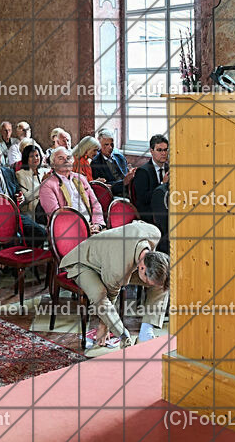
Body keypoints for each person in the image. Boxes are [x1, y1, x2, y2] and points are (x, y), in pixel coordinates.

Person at [59, 221, 164, 350]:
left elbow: (138, 223)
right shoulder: (118, 269)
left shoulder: (154, 232)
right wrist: (105, 327)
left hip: (114, 256)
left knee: (161, 284)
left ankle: (145, 334)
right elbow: (108, 297)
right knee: (99, 294)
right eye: (147, 281)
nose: (146, 285)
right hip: (84, 262)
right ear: (142, 267)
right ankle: (124, 336)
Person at [0, 142, 48, 246]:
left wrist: (19, 197)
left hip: (15, 213)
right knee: (14, 239)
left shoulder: (8, 172)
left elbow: (17, 191)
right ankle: (13, 258)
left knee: (40, 233)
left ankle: (27, 257)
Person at [39, 147, 105, 232]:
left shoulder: (80, 178)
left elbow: (95, 204)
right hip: (67, 231)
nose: (66, 160)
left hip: (91, 226)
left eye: (68, 158)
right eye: (61, 158)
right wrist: (84, 228)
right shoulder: (47, 185)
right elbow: (57, 216)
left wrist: (97, 225)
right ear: (53, 164)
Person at [130, 134, 170, 253]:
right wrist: (162, 184)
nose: (163, 153)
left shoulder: (169, 168)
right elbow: (142, 199)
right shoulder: (143, 171)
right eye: (159, 150)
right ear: (152, 151)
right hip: (149, 212)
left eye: (165, 150)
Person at [90, 128, 134, 196]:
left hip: (129, 188)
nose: (110, 147)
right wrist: (124, 182)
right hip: (114, 193)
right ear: (100, 145)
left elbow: (125, 175)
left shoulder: (120, 157)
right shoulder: (96, 162)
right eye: (106, 145)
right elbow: (104, 186)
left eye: (112, 144)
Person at [15, 144, 51, 217]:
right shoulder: (20, 174)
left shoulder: (45, 171)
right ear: (26, 158)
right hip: (34, 210)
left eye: (37, 155)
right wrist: (43, 184)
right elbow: (27, 196)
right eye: (31, 156)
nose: (35, 158)